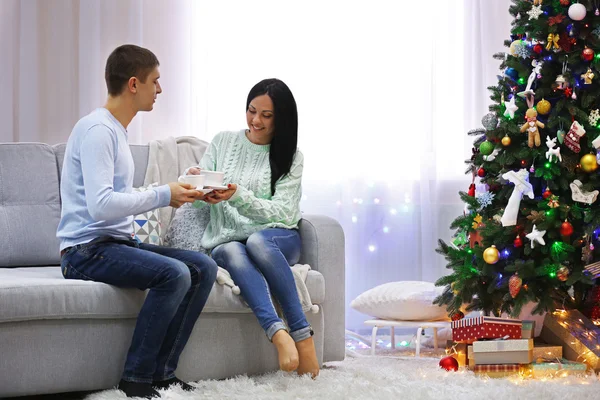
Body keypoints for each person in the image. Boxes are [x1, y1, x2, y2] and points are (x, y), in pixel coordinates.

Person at [57, 44, 217, 399]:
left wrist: (182, 185)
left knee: (203, 267)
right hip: (85, 250)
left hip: (114, 244)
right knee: (174, 274)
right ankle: (136, 379)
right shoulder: (99, 131)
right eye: (155, 81)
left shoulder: (115, 130)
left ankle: (162, 373)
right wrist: (164, 193)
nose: (159, 90)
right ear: (134, 84)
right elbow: (100, 207)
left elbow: (119, 197)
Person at [186, 78, 319, 377]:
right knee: (231, 250)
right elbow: (195, 202)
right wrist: (194, 182)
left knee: (257, 242)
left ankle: (303, 336)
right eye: (251, 110)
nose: (255, 120)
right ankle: (278, 334)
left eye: (266, 115)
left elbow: (283, 212)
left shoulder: (292, 157)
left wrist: (238, 195)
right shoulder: (222, 141)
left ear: (281, 118)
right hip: (228, 238)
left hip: (277, 237)